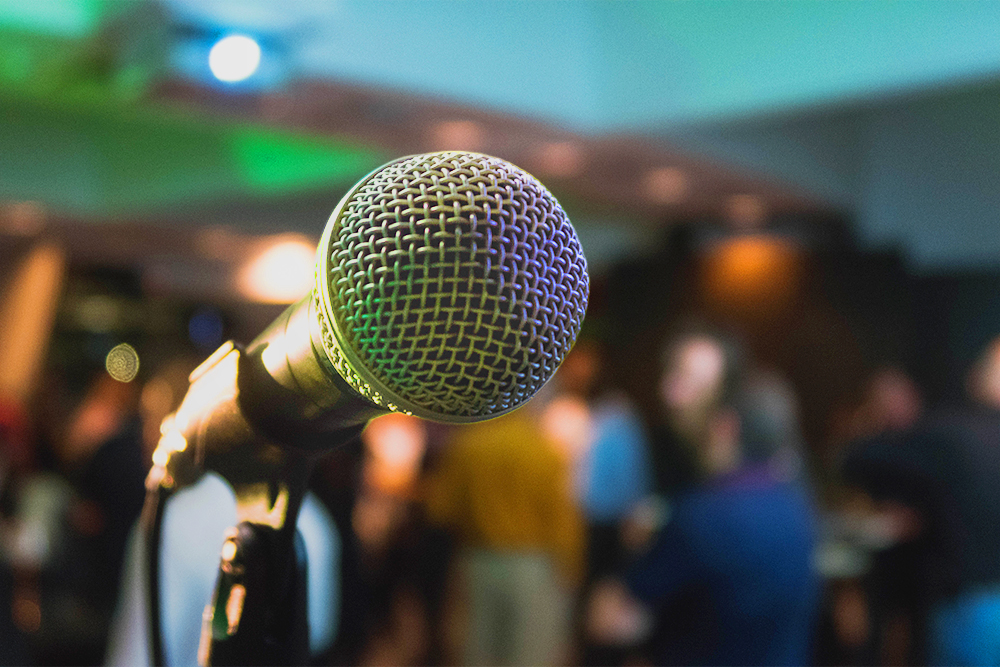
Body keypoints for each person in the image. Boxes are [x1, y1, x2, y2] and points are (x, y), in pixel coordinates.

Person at [592, 331, 820, 666]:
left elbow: (609, 619)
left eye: (692, 382)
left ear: (726, 421)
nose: (674, 394)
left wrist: (636, 556)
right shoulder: (797, 503)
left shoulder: (704, 514)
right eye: (672, 375)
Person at [843, 338, 1000, 665]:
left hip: (973, 605)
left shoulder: (954, 436)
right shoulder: (953, 435)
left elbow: (856, 460)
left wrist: (872, 420)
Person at [423, 397, 584, 667]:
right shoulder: (544, 451)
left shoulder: (469, 446)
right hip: (533, 569)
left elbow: (441, 510)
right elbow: (562, 520)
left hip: (477, 561)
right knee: (530, 655)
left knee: (476, 652)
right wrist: (572, 570)